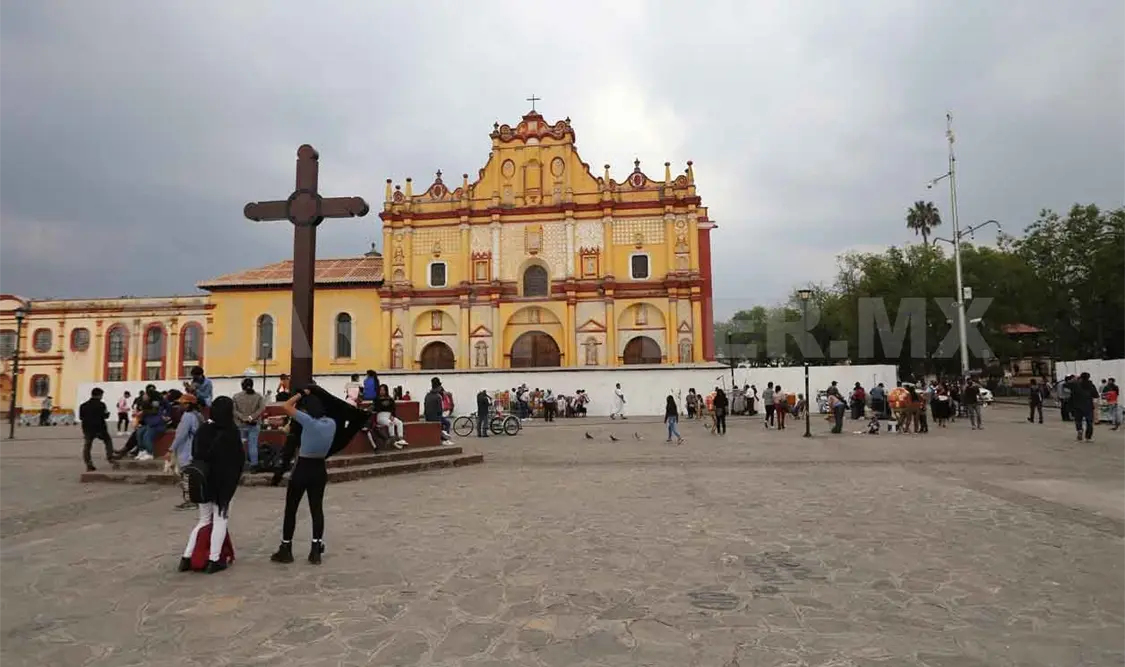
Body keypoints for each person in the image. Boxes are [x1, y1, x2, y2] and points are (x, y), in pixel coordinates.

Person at [271, 389, 337, 565]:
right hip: (319, 468)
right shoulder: (331, 423)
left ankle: (286, 547)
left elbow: (286, 406)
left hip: (302, 467)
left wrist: (301, 394)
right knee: (317, 509)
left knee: (291, 509)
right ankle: (316, 549)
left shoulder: (308, 421)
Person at [179, 396, 244, 574]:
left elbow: (196, 453)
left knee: (204, 520)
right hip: (223, 483)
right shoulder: (231, 431)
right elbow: (238, 459)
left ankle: (186, 557)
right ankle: (214, 559)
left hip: (203, 481)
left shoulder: (203, 429)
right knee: (220, 520)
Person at [169, 394, 202, 510]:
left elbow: (181, 435)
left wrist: (171, 448)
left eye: (182, 404)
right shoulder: (198, 415)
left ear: (188, 405)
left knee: (186, 477)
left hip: (187, 450)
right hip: (195, 450)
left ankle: (190, 501)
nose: (180, 406)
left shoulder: (187, 416)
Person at [233, 378, 267, 472]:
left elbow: (234, 410)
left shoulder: (236, 396)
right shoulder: (258, 396)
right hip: (254, 424)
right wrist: (251, 418)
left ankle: (238, 465)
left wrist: (243, 418)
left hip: (240, 424)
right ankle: (254, 465)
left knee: (239, 445)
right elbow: (262, 409)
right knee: (253, 445)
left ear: (242, 386)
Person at [78, 388, 114, 472]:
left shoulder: (83, 405)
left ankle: (88, 464)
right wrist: (107, 414)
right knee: (108, 441)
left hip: (87, 428)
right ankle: (110, 457)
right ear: (99, 395)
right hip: (100, 428)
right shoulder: (101, 405)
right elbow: (105, 416)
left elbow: (81, 417)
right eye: (101, 395)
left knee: (87, 446)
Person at [373, 384, 407, 448]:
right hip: (381, 416)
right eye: (381, 390)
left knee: (399, 422)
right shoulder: (376, 399)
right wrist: (383, 404)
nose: (382, 391)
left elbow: (393, 408)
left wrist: (392, 415)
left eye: (383, 390)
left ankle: (400, 439)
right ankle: (393, 440)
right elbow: (377, 408)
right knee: (391, 424)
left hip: (389, 415)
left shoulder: (390, 399)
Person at [1067, 372, 1098, 442]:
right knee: (1089, 422)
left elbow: (1065, 385)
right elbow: (1096, 395)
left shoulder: (1075, 384)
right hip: (1088, 406)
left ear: (1080, 377)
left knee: (1078, 420)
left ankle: (1079, 430)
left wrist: (1074, 380)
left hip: (1077, 405)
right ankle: (1088, 437)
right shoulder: (1091, 385)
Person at [424, 377, 454, 443]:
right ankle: (445, 439)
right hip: (436, 418)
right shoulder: (438, 396)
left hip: (428, 417)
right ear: (438, 387)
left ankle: (443, 436)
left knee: (443, 421)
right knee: (447, 423)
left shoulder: (427, 395)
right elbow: (440, 410)